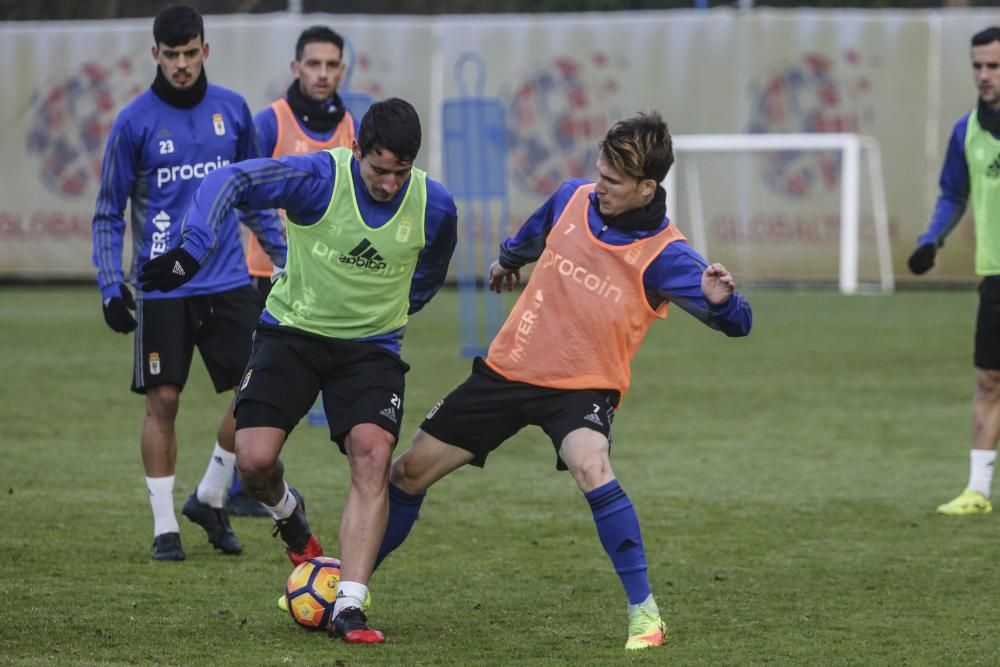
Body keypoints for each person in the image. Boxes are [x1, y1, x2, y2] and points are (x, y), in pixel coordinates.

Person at [373, 111, 753, 651]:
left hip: (582, 387)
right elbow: (535, 233)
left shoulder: (667, 256)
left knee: (591, 465)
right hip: (508, 370)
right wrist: (508, 261)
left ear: (648, 187)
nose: (600, 187)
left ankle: (645, 616)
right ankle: (349, 588)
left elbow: (737, 324)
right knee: (408, 472)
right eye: (599, 172)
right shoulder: (574, 197)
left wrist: (725, 303)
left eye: (614, 182)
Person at [139, 97, 457, 644]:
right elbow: (231, 180)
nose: (388, 183)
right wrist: (191, 250)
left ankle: (350, 607)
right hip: (292, 334)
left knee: (373, 454)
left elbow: (430, 271)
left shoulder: (434, 205)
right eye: (379, 169)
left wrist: (395, 312)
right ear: (356, 149)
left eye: (400, 172)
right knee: (255, 462)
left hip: (371, 349)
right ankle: (290, 515)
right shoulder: (316, 178)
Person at [91, 4, 286, 561]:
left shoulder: (232, 110)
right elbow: (108, 210)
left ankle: (209, 495)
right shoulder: (133, 121)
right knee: (165, 401)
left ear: (206, 49)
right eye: (171, 54)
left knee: (255, 395)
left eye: (190, 52)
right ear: (155, 54)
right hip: (162, 285)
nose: (181, 64)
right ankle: (164, 529)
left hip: (226, 280)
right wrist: (110, 285)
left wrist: (283, 258)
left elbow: (252, 195)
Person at [227, 24, 361, 518]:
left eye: (332, 65)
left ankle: (223, 490)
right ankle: (231, 487)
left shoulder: (352, 126)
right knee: (257, 384)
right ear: (296, 67)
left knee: (284, 384)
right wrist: (280, 248)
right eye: (314, 64)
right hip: (268, 275)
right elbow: (244, 188)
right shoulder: (271, 122)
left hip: (324, 283)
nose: (323, 74)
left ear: (342, 69)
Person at [909, 26, 1000, 516]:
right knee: (989, 380)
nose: (984, 75)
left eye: (994, 66)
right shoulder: (967, 131)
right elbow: (953, 193)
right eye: (978, 66)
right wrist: (931, 240)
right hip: (996, 276)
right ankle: (977, 491)